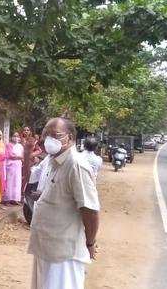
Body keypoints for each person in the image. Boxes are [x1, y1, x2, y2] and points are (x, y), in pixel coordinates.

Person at [28, 118, 100, 289]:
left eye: (56, 135)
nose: (48, 139)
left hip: (63, 254)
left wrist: (90, 243)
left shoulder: (76, 165)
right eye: (46, 134)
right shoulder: (53, 161)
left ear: (70, 138)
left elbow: (90, 211)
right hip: (46, 247)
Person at [4, 132, 24, 205]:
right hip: (10, 165)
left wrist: (19, 157)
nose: (16, 137)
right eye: (14, 136)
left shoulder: (20, 146)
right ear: (11, 137)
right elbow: (10, 155)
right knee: (10, 182)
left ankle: (15, 199)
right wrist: (19, 157)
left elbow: (22, 155)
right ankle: (7, 199)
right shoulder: (8, 145)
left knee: (17, 182)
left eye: (17, 136)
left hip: (18, 165)